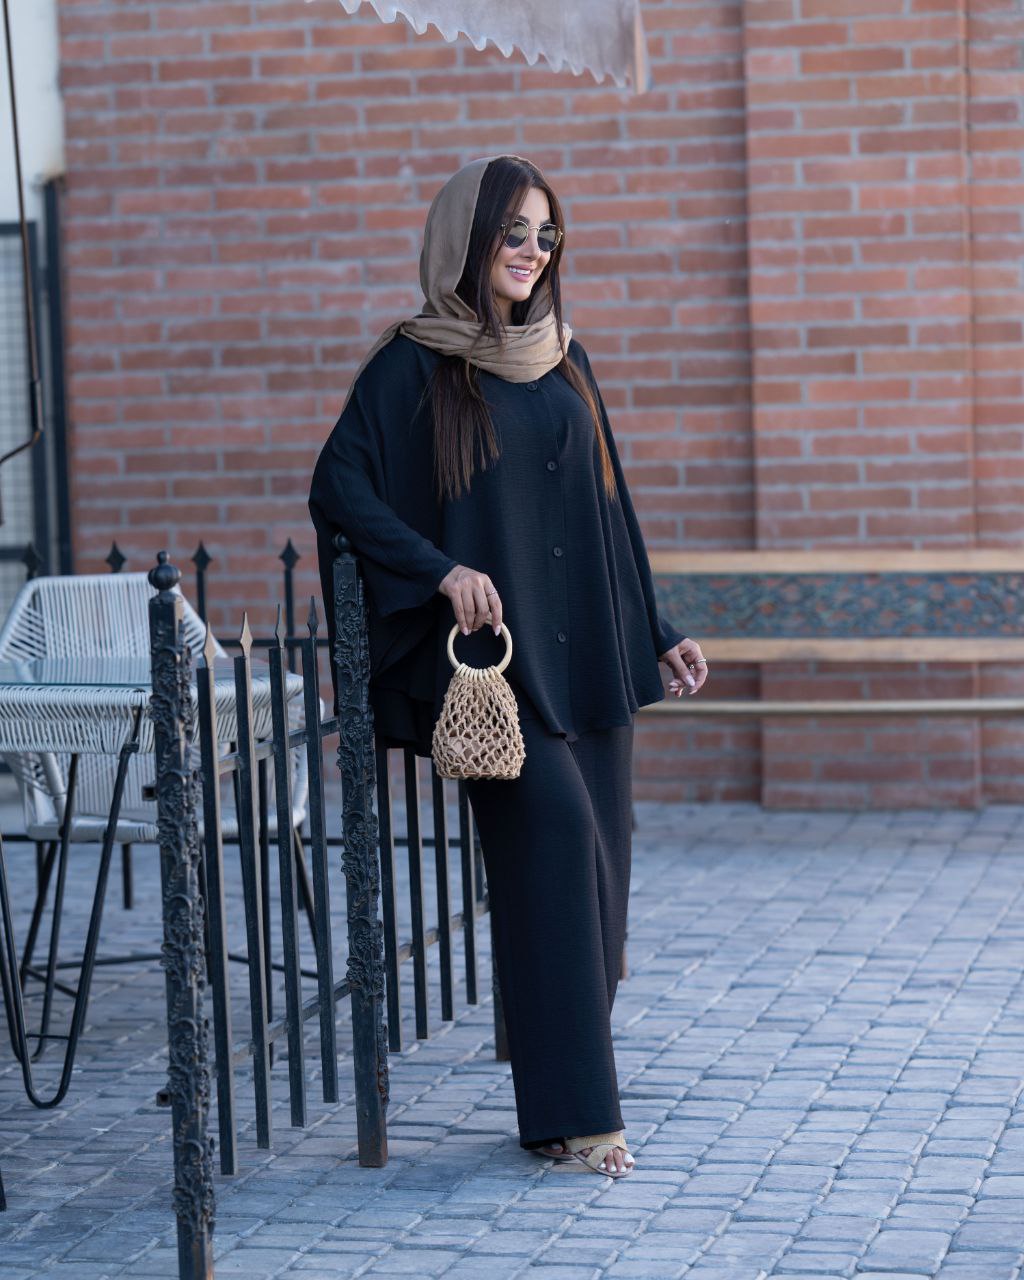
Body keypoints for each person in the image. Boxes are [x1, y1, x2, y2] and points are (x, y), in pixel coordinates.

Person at [309, 153, 709, 1178]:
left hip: (590, 650)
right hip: (495, 669)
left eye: (546, 233)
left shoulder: (567, 358)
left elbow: (611, 508)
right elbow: (340, 489)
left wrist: (657, 626)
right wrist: (437, 569)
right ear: (467, 238)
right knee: (560, 840)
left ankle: (554, 1083)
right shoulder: (414, 365)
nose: (532, 250)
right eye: (513, 231)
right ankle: (579, 1119)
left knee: (600, 871)